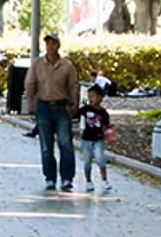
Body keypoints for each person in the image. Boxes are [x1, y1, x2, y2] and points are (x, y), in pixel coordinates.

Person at [23, 33, 80, 191]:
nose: (50, 47)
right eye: (48, 43)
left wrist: (74, 104)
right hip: (43, 107)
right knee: (46, 145)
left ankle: (67, 177)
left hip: (62, 107)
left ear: (58, 46)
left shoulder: (67, 66)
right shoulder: (37, 64)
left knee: (65, 143)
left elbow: (73, 86)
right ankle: (50, 177)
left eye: (53, 43)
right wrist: (30, 103)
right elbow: (30, 84)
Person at [78, 85, 112, 193]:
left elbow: (106, 125)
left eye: (93, 96)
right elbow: (75, 113)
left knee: (100, 158)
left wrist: (106, 131)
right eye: (89, 97)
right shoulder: (86, 109)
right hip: (86, 139)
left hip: (98, 139)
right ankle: (88, 181)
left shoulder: (103, 113)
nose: (90, 99)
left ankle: (105, 180)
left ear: (100, 97)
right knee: (87, 161)